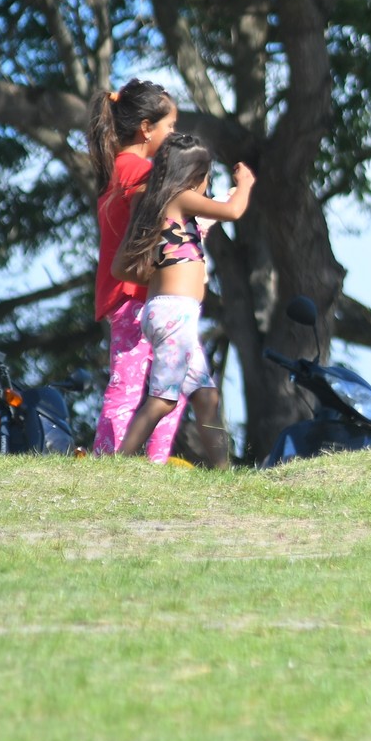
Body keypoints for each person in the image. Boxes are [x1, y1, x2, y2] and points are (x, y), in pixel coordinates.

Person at [113, 133, 255, 466]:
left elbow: (121, 268)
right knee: (163, 399)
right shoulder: (179, 198)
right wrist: (244, 183)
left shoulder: (151, 201)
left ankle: (223, 471)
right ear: (193, 176)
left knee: (206, 396)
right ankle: (118, 464)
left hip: (170, 311)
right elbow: (233, 212)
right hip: (175, 313)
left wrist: (165, 276)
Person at [87, 79, 187, 461]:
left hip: (130, 296)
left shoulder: (117, 168)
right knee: (152, 386)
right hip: (137, 296)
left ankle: (116, 457)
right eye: (170, 127)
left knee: (149, 384)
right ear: (147, 128)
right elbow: (163, 217)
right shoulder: (140, 172)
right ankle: (119, 458)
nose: (173, 134)